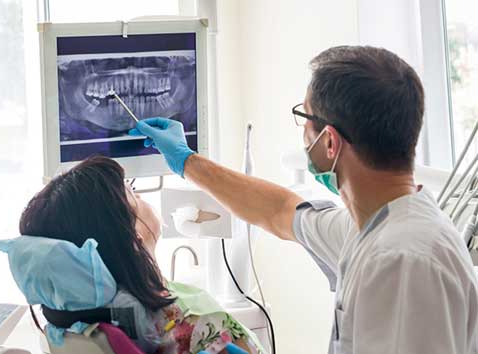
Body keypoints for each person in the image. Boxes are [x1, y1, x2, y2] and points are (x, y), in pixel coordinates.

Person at [128, 45, 478, 353]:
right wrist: (187, 160)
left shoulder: (401, 262)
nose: (302, 133)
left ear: (329, 143)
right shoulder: (370, 226)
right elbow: (280, 211)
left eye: (304, 118)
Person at [16, 155, 262, 354]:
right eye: (132, 193)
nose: (142, 196)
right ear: (133, 238)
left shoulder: (73, 324)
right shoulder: (197, 325)